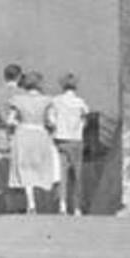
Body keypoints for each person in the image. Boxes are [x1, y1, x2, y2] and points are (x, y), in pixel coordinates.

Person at [5, 72, 62, 218]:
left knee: (25, 168)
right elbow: (52, 121)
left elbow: (10, 120)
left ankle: (31, 203)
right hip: (40, 134)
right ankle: (45, 201)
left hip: (23, 134)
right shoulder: (47, 100)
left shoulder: (17, 100)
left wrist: (18, 123)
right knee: (40, 166)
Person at [43, 71, 89, 214]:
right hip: (76, 140)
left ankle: (62, 204)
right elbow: (85, 120)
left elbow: (51, 121)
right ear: (76, 87)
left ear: (62, 86)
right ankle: (77, 207)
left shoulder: (56, 101)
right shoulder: (81, 103)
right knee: (77, 175)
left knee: (62, 173)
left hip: (60, 140)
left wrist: (55, 128)